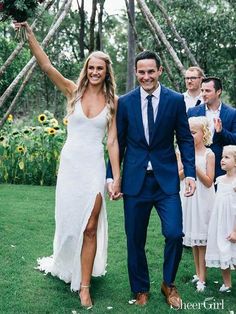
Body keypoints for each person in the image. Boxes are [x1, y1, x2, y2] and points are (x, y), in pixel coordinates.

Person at [14, 22, 121, 308]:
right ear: (86, 70)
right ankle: (67, 262)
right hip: (71, 166)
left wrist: (117, 177)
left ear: (106, 72)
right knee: (71, 226)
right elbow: (47, 65)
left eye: (100, 68)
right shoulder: (72, 91)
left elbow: (112, 141)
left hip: (94, 168)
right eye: (91, 68)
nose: (95, 72)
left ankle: (84, 286)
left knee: (90, 226)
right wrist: (30, 34)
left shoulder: (114, 102)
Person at [107, 51, 196, 308]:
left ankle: (169, 283)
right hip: (135, 181)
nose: (146, 76)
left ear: (160, 71)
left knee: (174, 233)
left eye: (150, 71)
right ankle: (140, 288)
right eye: (141, 72)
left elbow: (185, 139)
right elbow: (117, 143)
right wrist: (112, 177)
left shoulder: (175, 100)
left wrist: (189, 173)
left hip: (166, 181)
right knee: (135, 238)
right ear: (136, 73)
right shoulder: (125, 102)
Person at [177, 116, 215, 292]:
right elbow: (179, 175)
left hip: (204, 199)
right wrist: (187, 163)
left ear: (204, 133)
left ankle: (202, 277)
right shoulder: (181, 151)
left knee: (202, 239)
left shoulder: (209, 154)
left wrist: (195, 165)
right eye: (188, 132)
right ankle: (197, 272)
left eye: (193, 132)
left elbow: (208, 181)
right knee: (193, 237)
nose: (190, 135)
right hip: (189, 198)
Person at [188, 76, 236, 180]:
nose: (203, 94)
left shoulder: (233, 113)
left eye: (208, 91)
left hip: (221, 167)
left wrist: (221, 131)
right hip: (197, 165)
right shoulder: (192, 112)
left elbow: (235, 140)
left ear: (218, 91)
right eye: (202, 90)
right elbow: (185, 138)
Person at [205, 145, 236, 292]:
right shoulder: (220, 180)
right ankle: (227, 283)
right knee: (223, 250)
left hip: (233, 223)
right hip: (221, 223)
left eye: (227, 157)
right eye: (222, 157)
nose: (222, 160)